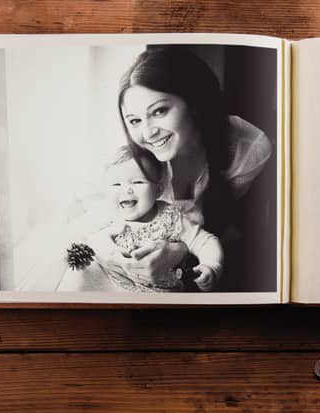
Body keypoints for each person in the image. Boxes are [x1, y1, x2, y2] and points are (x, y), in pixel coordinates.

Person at [99, 46, 276, 291]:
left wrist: (180, 251)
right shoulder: (130, 167)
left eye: (159, 111)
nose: (148, 132)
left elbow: (221, 226)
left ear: (194, 102)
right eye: (135, 121)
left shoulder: (248, 147)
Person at [58, 145, 222, 292]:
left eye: (137, 182)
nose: (126, 190)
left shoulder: (172, 216)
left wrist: (211, 266)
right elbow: (81, 237)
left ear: (158, 190)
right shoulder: (108, 215)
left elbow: (206, 241)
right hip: (111, 285)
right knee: (78, 279)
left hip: (158, 293)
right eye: (116, 185)